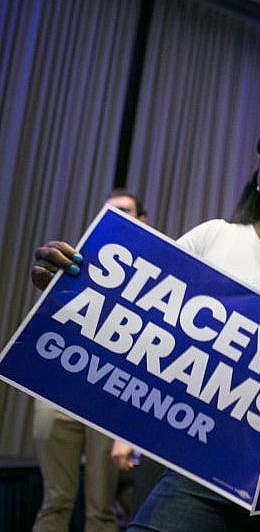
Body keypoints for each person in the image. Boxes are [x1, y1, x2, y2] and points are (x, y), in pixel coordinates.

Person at [32, 112, 260, 531]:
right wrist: (65, 282)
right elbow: (133, 307)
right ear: (259, 174)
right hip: (202, 469)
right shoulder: (213, 238)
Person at [29, 190, 146, 532]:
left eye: (125, 210)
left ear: (142, 220)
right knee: (55, 502)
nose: (118, 215)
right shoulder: (80, 258)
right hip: (59, 391)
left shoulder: (156, 272)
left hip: (108, 397)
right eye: (110, 211)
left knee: (100, 510)